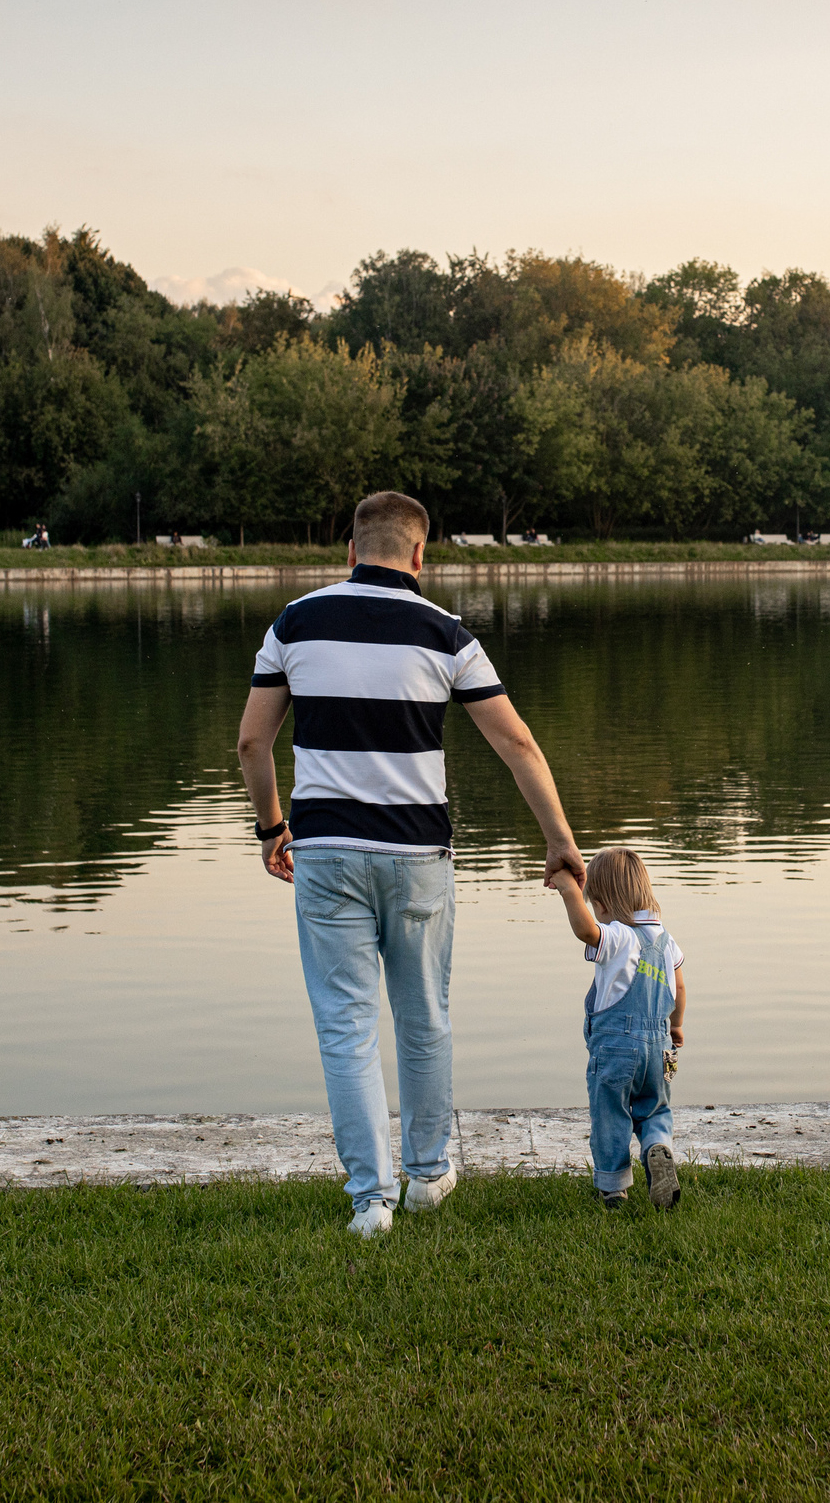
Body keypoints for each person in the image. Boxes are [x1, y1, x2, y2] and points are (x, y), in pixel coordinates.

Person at [236, 490, 585, 1238]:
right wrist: (558, 838)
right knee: (424, 1016)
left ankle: (371, 1200)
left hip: (325, 850)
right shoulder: (447, 635)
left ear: (351, 547)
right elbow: (517, 744)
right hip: (418, 855)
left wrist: (271, 826)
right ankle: (428, 1176)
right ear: (421, 554)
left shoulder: (293, 623)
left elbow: (251, 744)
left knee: (345, 1025)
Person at [553, 847, 686, 1210]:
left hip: (616, 1050)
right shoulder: (667, 941)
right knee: (655, 1109)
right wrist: (676, 1026)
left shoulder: (618, 936)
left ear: (606, 905)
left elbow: (585, 930)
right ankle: (658, 1148)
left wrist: (567, 888)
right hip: (661, 1049)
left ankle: (613, 1188)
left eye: (594, 902)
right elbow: (680, 986)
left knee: (610, 1114)